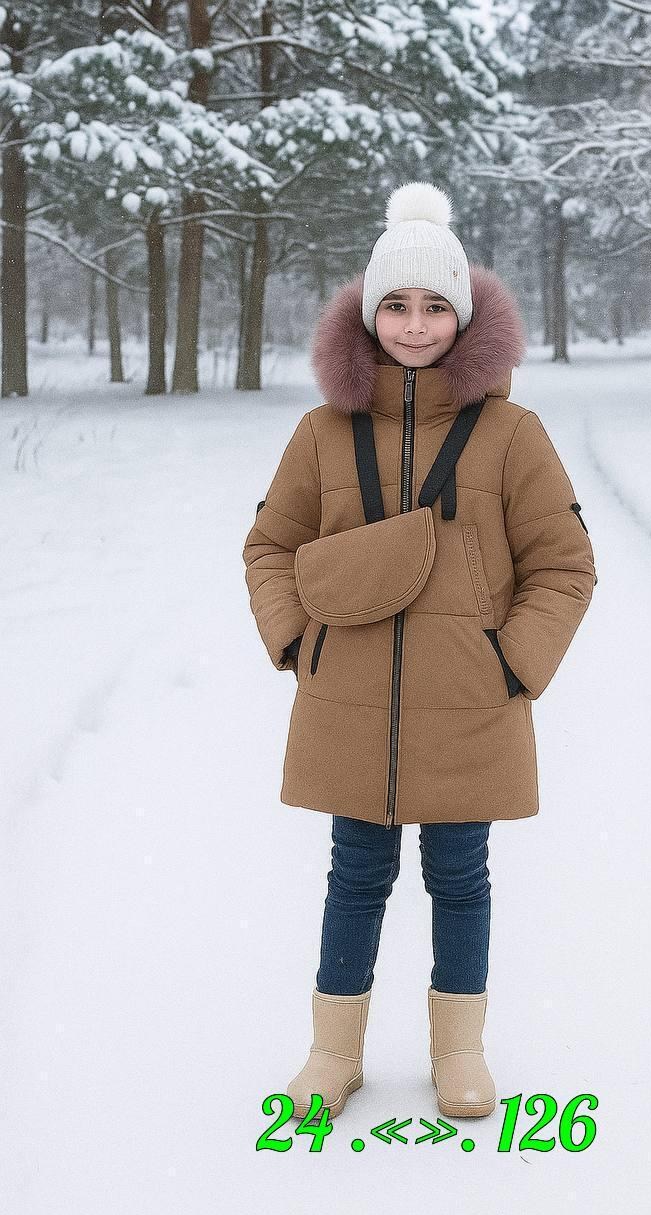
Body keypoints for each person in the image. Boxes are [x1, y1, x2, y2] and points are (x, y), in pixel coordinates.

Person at [242, 181, 597, 1122]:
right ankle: (332, 1053)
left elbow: (565, 566)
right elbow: (269, 547)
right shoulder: (320, 435)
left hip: (468, 705)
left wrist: (509, 665)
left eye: (433, 304)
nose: (412, 323)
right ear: (367, 314)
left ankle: (460, 1055)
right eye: (394, 304)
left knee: (460, 878)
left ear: (462, 314)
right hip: (345, 700)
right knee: (353, 875)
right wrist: (294, 640)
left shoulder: (514, 436)